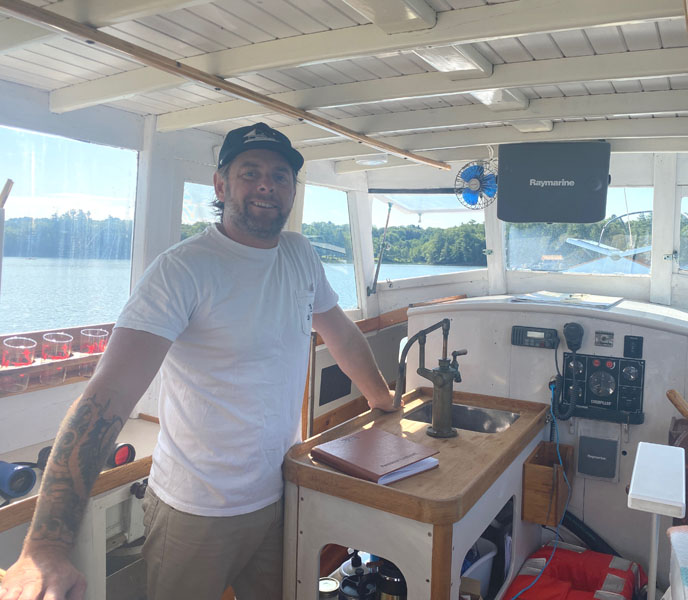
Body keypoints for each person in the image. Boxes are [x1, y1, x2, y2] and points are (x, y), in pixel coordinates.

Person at [0, 123, 396, 600]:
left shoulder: (299, 254)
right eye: (250, 172)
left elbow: (342, 336)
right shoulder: (182, 269)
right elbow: (106, 399)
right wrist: (45, 547)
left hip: (282, 488)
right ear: (221, 184)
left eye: (280, 175)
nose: (267, 184)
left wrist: (383, 402)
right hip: (195, 509)